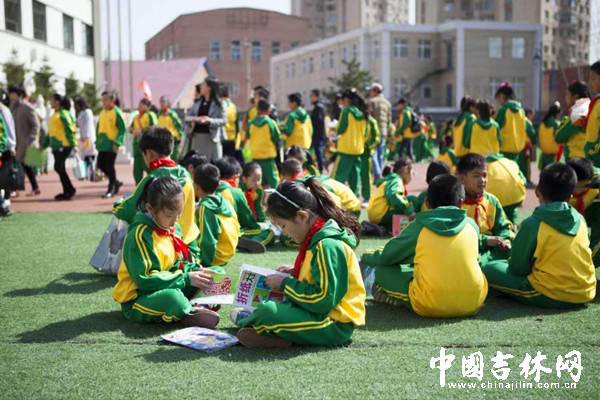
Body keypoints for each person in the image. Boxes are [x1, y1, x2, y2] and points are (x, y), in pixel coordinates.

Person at [232, 178, 365, 347]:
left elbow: (323, 299)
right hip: (318, 315)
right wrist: (297, 270)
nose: (284, 233)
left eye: (283, 225)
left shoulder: (327, 245)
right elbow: (319, 276)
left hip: (333, 324)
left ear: (302, 216)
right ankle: (277, 335)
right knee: (272, 307)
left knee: (268, 311)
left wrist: (286, 283)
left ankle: (253, 322)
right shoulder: (317, 238)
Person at [362, 174, 487, 317]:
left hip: (430, 304)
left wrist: (368, 255)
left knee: (382, 270)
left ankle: (397, 300)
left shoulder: (419, 227)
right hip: (473, 302)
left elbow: (387, 257)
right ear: (461, 202)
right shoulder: (472, 226)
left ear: (427, 203)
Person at [111, 176, 222, 326]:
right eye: (170, 215)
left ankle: (195, 308)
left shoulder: (172, 228)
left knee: (217, 273)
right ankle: (191, 309)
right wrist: (186, 278)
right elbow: (145, 280)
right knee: (173, 298)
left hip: (170, 284)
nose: (175, 220)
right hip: (140, 298)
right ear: (150, 209)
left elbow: (177, 265)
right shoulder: (140, 235)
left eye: (179, 213)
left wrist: (196, 270)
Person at [482, 163, 596, 308]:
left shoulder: (532, 223)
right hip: (586, 292)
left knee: (490, 269)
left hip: (551, 293)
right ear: (570, 196)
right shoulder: (580, 219)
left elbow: (517, 269)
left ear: (537, 191)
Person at [113, 126, 199, 246]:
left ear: (148, 153)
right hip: (189, 244)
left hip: (164, 246)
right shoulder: (186, 175)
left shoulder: (152, 179)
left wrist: (117, 205)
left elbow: (127, 211)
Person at [457, 153, 513, 266]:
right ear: (463, 179)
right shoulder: (457, 203)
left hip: (492, 250)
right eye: (476, 176)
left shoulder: (492, 201)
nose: (482, 180)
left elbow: (504, 226)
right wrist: (485, 240)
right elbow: (458, 234)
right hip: (467, 248)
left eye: (484, 175)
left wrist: (505, 240)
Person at [214, 156, 275, 252]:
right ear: (237, 177)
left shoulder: (210, 188)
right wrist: (258, 226)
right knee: (270, 233)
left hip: (212, 234)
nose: (257, 183)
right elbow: (247, 219)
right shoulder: (236, 192)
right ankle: (253, 242)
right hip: (230, 233)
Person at [193, 163, 240, 267]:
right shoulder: (225, 201)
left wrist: (203, 262)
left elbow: (207, 242)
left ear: (195, 186)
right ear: (218, 185)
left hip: (214, 258)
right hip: (228, 254)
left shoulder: (205, 208)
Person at [281, 159, 361, 217]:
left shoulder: (312, 185)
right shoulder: (309, 178)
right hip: (346, 208)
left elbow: (334, 204)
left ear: (287, 177)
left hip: (350, 211)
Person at [332, 88, 368, 197]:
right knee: (354, 178)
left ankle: (332, 200)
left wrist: (335, 128)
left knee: (337, 177)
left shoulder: (346, 111)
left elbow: (340, 129)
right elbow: (365, 133)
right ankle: (354, 201)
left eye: (342, 101)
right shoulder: (363, 113)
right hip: (358, 149)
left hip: (346, 149)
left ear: (347, 100)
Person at [42, 94, 76, 200]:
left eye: (51, 100)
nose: (50, 102)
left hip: (64, 145)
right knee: (60, 168)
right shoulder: (54, 115)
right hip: (56, 146)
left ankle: (69, 189)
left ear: (57, 102)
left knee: (58, 167)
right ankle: (67, 190)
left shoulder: (64, 114)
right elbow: (51, 132)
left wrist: (73, 144)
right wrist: (44, 144)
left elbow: (70, 130)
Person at [366, 158, 415, 232]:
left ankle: (384, 228)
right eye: (412, 172)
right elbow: (394, 196)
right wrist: (409, 210)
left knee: (404, 202)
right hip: (381, 214)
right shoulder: (396, 180)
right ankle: (407, 230)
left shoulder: (391, 179)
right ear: (406, 169)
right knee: (412, 200)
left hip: (376, 214)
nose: (413, 174)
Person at [566, 158, 600, 267]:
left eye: (587, 185)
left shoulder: (595, 176)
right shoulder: (559, 183)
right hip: (574, 214)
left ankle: (585, 265)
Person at [8, 85, 40, 197]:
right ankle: (32, 187)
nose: (10, 95)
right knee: (22, 166)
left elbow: (36, 125)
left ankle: (18, 188)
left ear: (19, 94)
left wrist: (30, 139)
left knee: (23, 165)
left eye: (12, 93)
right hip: (16, 142)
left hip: (26, 143)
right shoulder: (12, 107)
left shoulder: (27, 107)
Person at [187, 76, 226, 161]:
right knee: (197, 163)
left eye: (203, 85)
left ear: (209, 88)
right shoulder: (197, 102)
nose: (201, 86)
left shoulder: (219, 103)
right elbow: (188, 117)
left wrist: (210, 120)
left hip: (211, 138)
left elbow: (223, 121)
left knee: (214, 164)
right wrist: (195, 119)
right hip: (197, 137)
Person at [96, 91, 126, 198]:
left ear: (112, 100)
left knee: (109, 166)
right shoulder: (102, 112)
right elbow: (98, 127)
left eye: (106, 99)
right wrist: (97, 141)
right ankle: (115, 181)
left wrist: (117, 142)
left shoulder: (116, 112)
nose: (103, 102)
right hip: (102, 144)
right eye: (102, 99)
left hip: (112, 143)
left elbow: (122, 129)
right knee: (100, 165)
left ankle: (111, 188)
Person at [247, 99, 281, 189]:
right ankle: (278, 200)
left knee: (258, 182)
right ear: (268, 110)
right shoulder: (271, 122)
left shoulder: (251, 123)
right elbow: (276, 137)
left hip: (255, 156)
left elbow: (247, 135)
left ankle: (259, 201)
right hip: (268, 157)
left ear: (257, 109)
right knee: (274, 181)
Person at [484, 153, 526, 225]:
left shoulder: (483, 166)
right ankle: (513, 226)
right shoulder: (510, 162)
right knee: (512, 210)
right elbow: (524, 180)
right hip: (517, 197)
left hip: (495, 201)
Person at [555, 81, 591, 161]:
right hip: (591, 160)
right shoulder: (591, 108)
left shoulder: (578, 112)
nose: (566, 97)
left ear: (575, 97)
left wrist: (565, 120)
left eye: (567, 94)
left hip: (576, 160)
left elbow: (559, 136)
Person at [494, 83, 526, 164]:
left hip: (504, 150)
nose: (498, 102)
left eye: (498, 98)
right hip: (517, 150)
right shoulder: (521, 111)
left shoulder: (503, 110)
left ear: (502, 97)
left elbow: (495, 128)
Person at [368, 83, 392, 180]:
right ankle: (378, 174)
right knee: (380, 154)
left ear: (375, 91)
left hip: (374, 131)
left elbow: (369, 117)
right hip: (383, 131)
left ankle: (377, 174)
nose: (369, 92)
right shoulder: (387, 103)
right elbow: (389, 120)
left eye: (371, 90)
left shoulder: (371, 101)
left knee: (373, 153)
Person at [130, 98, 157, 184]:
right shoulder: (136, 117)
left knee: (149, 165)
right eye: (139, 104)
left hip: (147, 144)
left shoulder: (150, 115)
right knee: (137, 167)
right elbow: (131, 128)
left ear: (148, 107)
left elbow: (154, 127)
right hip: (136, 144)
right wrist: (132, 130)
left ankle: (152, 184)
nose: (139, 106)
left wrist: (142, 131)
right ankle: (138, 187)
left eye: (142, 104)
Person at [361, 114, 381, 206]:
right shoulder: (354, 118)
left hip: (366, 152)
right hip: (353, 151)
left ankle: (367, 197)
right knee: (353, 176)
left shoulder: (371, 121)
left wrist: (368, 145)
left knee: (366, 174)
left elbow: (376, 137)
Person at [74, 97, 96, 181]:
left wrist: (86, 136)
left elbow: (87, 125)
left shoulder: (87, 112)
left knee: (89, 156)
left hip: (87, 137)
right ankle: (86, 173)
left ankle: (91, 173)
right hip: (84, 136)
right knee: (85, 156)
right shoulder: (83, 113)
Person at [157, 96, 184, 160]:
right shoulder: (158, 115)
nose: (162, 104)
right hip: (162, 140)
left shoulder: (172, 114)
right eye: (160, 102)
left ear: (168, 103)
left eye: (163, 102)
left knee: (173, 158)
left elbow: (179, 126)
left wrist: (179, 137)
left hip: (173, 139)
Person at [585, 61, 600, 168]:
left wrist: (592, 153)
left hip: (596, 160)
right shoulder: (596, 102)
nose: (590, 82)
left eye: (593, 78)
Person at [220, 86, 241, 163]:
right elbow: (237, 127)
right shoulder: (234, 107)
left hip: (221, 139)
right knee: (230, 163)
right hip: (231, 139)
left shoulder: (219, 106)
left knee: (220, 163)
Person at [538, 102, 561, 170]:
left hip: (543, 154)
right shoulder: (556, 124)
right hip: (552, 155)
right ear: (557, 114)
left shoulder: (542, 123)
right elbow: (560, 138)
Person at [309, 89, 326, 172]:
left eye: (311, 96)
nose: (310, 98)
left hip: (318, 134)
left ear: (315, 96)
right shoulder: (318, 106)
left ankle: (321, 168)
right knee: (316, 152)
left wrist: (310, 121)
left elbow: (318, 120)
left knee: (318, 152)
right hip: (317, 134)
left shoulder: (319, 107)